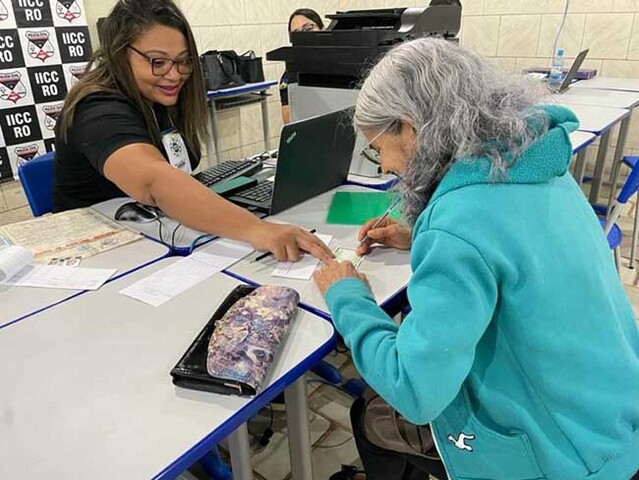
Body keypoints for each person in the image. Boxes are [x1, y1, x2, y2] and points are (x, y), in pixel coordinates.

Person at [314, 38, 639, 480]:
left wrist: (347, 296)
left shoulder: (457, 226)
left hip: (563, 457)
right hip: (616, 418)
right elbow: (510, 243)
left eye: (377, 149)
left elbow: (414, 391)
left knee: (373, 414)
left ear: (410, 129)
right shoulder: (536, 163)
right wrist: (423, 234)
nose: (386, 166)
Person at [53, 0, 332, 263]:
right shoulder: (96, 108)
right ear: (119, 53)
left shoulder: (158, 98)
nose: (174, 75)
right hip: (98, 256)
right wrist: (258, 230)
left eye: (183, 60)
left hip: (153, 237)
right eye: (158, 62)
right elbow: (154, 182)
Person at [279, 8, 324, 124]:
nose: (304, 36)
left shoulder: (343, 62)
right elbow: (288, 119)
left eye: (308, 28)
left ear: (322, 29)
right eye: (296, 33)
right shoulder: (291, 74)